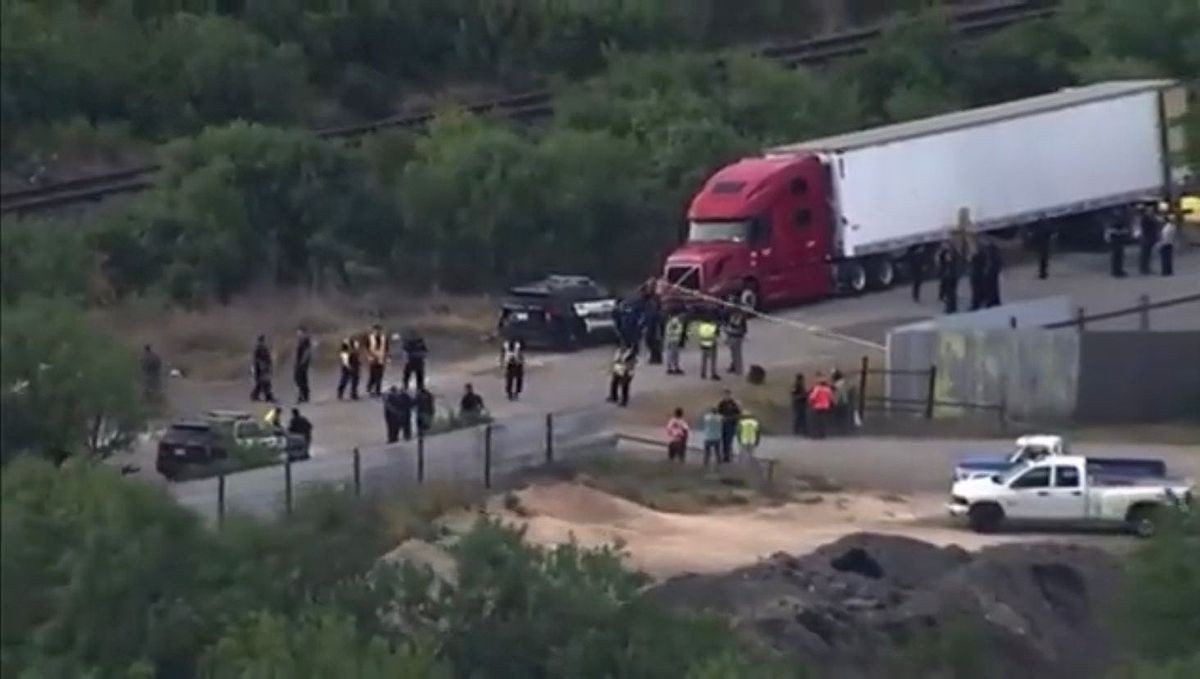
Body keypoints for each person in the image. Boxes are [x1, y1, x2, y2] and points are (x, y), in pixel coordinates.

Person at [715, 390, 741, 463]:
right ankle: (724, 455)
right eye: (725, 395)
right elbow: (718, 413)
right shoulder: (721, 403)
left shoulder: (733, 403)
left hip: (731, 425)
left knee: (728, 441)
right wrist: (721, 418)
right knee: (723, 440)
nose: (726, 396)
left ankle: (727, 456)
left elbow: (738, 413)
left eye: (728, 395)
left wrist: (734, 420)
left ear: (730, 395)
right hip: (723, 424)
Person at [807, 374, 834, 439]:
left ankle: (815, 434)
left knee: (816, 421)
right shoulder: (828, 389)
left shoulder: (817, 388)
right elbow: (831, 398)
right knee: (823, 421)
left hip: (817, 407)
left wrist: (810, 403)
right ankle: (823, 434)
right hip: (825, 407)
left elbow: (812, 397)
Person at [365, 323, 389, 398]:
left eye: (379, 330)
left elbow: (386, 348)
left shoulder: (383, 338)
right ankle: (369, 389)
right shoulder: (369, 338)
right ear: (373, 331)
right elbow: (366, 349)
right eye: (376, 330)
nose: (377, 332)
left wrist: (387, 357)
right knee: (373, 375)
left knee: (380, 375)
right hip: (372, 359)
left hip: (381, 359)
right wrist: (369, 357)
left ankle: (378, 390)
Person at [936, 242, 960, 314]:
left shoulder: (948, 252)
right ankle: (951, 307)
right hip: (951, 274)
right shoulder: (950, 251)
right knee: (950, 292)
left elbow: (948, 263)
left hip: (949, 275)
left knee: (950, 293)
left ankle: (951, 308)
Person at [642, 286, 664, 365]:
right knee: (650, 340)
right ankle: (655, 356)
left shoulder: (653, 301)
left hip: (654, 322)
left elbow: (654, 313)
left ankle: (656, 357)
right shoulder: (648, 301)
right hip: (651, 322)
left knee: (652, 340)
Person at [250, 335, 275, 402]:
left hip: (264, 367)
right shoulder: (258, 348)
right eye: (261, 341)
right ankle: (268, 396)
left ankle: (255, 396)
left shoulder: (264, 348)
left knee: (261, 383)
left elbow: (268, 358)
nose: (262, 342)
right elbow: (257, 359)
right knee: (264, 382)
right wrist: (262, 365)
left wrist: (269, 365)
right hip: (260, 368)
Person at [1105, 210, 1129, 278]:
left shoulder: (1119, 222)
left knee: (1119, 256)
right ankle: (1116, 271)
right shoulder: (1113, 222)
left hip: (1118, 241)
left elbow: (1124, 230)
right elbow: (1110, 232)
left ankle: (1118, 270)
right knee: (1116, 256)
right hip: (1115, 241)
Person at [1137, 204, 1159, 276]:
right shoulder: (1145, 218)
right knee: (1145, 254)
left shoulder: (1144, 218)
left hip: (1147, 238)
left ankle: (1144, 268)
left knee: (1146, 254)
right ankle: (1144, 269)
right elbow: (1152, 226)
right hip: (1147, 238)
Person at [724, 308, 748, 375]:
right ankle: (734, 366)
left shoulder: (738, 315)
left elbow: (735, 325)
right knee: (734, 353)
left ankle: (739, 371)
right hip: (733, 335)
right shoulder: (738, 313)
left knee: (737, 354)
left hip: (735, 335)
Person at [982, 238, 1003, 307]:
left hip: (992, 270)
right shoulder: (989, 249)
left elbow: (992, 260)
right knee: (993, 286)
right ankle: (994, 300)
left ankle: (992, 300)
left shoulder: (991, 249)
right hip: (992, 270)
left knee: (992, 286)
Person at [294, 326, 312, 403]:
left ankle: (302, 396)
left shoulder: (305, 340)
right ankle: (305, 396)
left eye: (299, 332)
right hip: (301, 363)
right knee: (302, 379)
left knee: (299, 379)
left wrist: (302, 362)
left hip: (302, 364)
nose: (297, 334)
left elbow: (307, 353)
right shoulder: (301, 340)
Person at [967, 241, 987, 311]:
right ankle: (982, 301)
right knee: (980, 288)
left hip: (975, 274)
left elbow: (971, 262)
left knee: (976, 289)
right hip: (978, 273)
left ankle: (976, 304)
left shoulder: (975, 254)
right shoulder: (982, 253)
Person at [1158, 212, 1176, 277]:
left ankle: (1165, 271)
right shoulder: (1172, 226)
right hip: (1170, 244)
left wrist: (1161, 244)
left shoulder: (1166, 228)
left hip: (1165, 244)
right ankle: (1169, 271)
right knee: (1169, 259)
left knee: (1164, 259)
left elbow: (1164, 237)